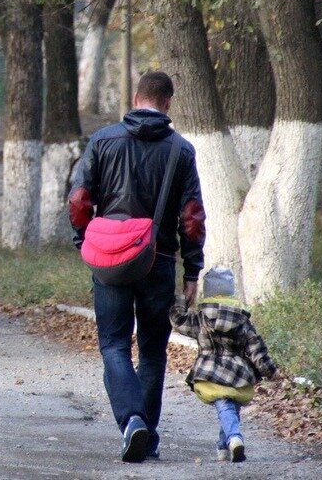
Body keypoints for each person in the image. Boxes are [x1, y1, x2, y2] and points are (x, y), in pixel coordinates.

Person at [67, 70, 207, 462]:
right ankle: (146, 430)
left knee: (113, 345)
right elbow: (192, 217)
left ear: (135, 97)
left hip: (109, 260)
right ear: (168, 104)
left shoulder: (103, 140)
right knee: (152, 351)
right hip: (157, 261)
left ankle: (133, 423)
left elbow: (79, 200)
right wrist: (192, 271)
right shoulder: (181, 150)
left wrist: (85, 242)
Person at [170, 267, 278, 463]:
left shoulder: (201, 318)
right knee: (230, 407)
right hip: (238, 373)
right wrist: (271, 371)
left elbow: (178, 321)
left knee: (225, 407)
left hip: (210, 371)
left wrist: (181, 299)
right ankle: (224, 446)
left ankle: (234, 438)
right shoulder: (242, 319)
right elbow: (256, 348)